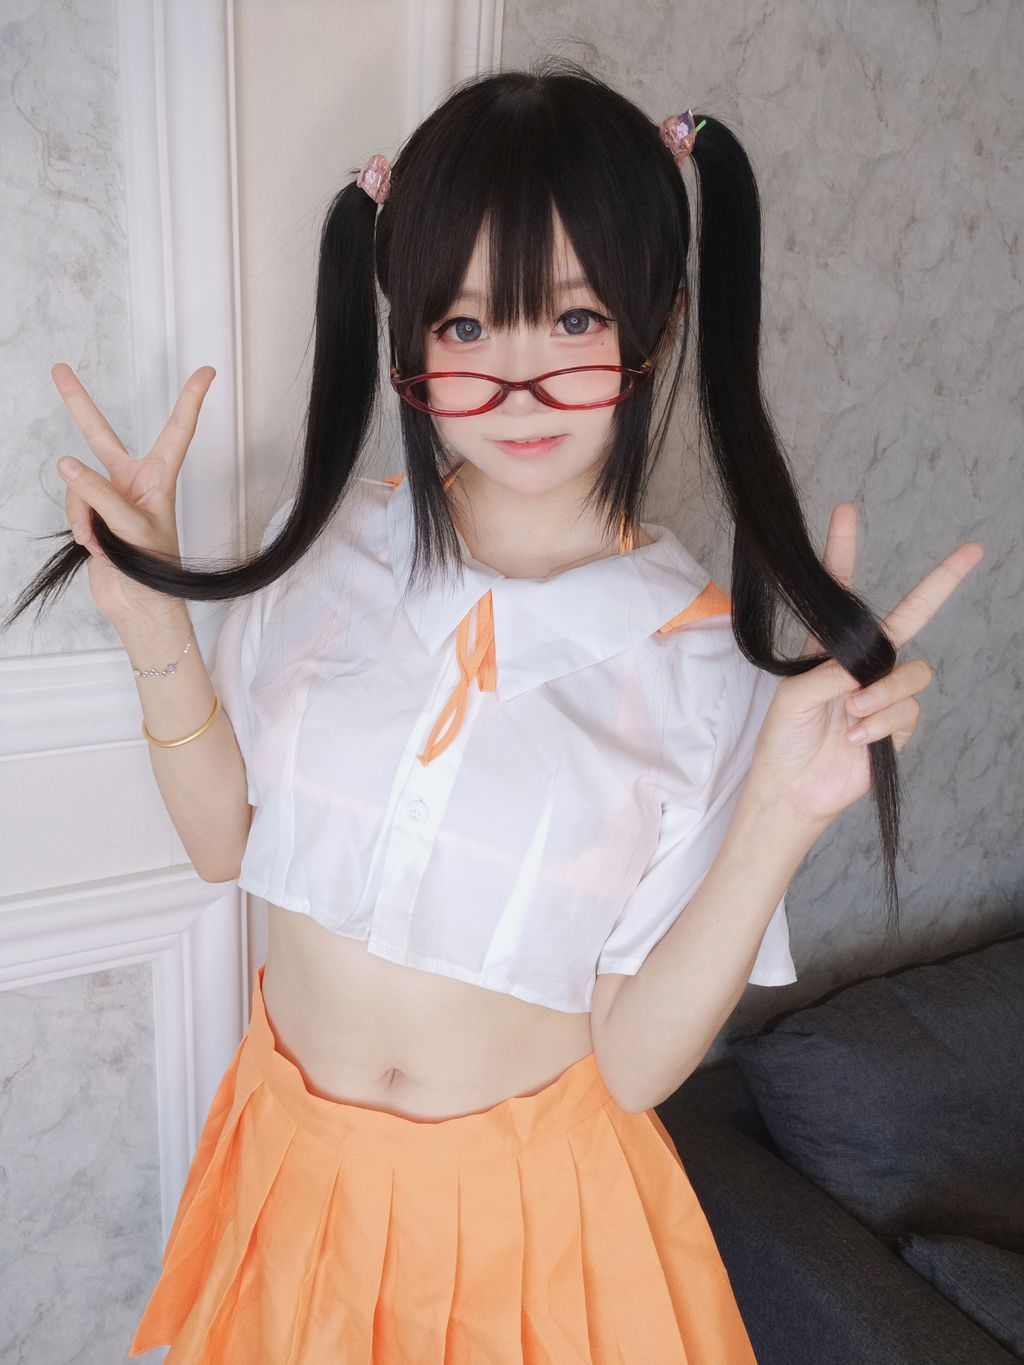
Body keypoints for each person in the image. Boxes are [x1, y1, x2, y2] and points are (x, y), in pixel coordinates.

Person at [11, 58, 982, 1365]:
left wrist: (779, 815)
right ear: (407, 337)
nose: (517, 382)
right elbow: (225, 844)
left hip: (530, 1243)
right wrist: (154, 627)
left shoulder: (705, 667)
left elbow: (634, 1067)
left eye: (573, 317)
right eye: (466, 327)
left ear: (658, 320)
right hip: (290, 1181)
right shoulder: (326, 555)